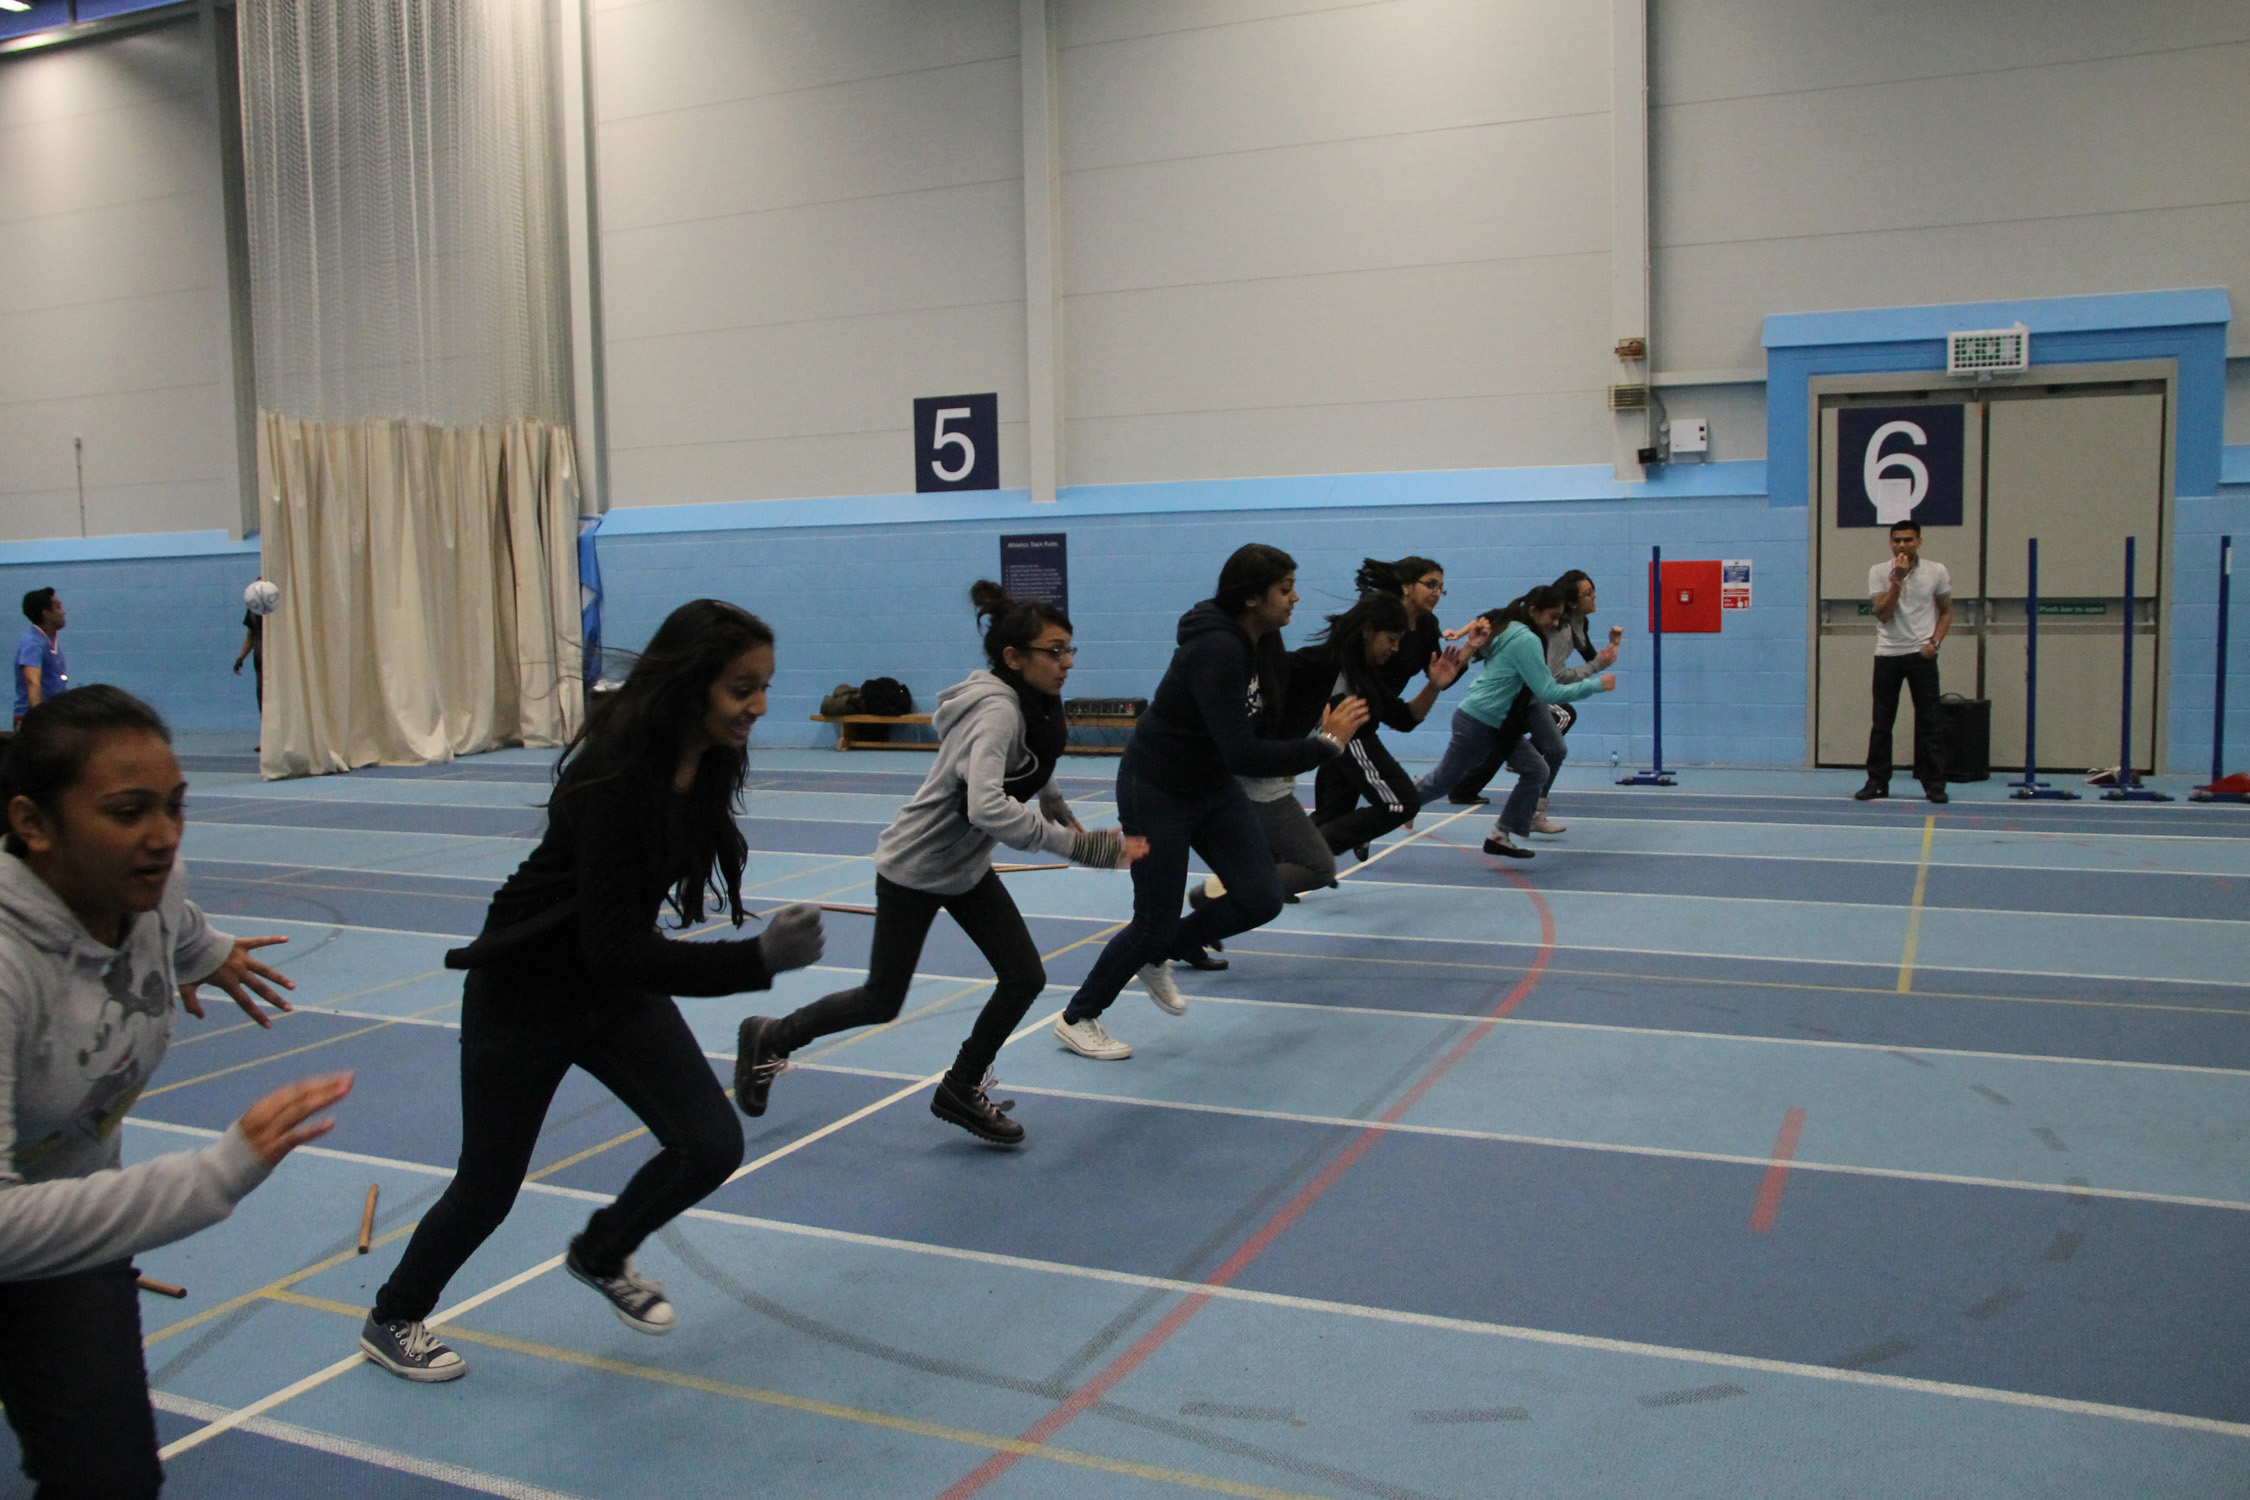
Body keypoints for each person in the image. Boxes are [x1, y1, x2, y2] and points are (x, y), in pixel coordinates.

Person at [361, 600, 827, 1382]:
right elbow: (617, 949)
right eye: (742, 688)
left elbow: (625, 940)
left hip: (609, 989)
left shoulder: (707, 763)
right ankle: (393, 1317)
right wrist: (757, 961)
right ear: (692, 684)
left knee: (710, 1145)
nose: (759, 706)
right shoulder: (614, 777)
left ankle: (602, 1251)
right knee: (488, 1187)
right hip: (526, 991)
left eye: (764, 687)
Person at [0, 685, 349, 1500]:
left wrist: (210, 954)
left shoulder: (146, 891)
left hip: (67, 1226)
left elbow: (174, 921)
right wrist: (216, 1174)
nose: (162, 836)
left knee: (109, 1477)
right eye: (128, 812)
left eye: (175, 806)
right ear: (34, 825)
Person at [734, 582, 1145, 1143]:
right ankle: (773, 1035)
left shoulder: (1033, 700)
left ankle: (960, 1087)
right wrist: (1083, 847)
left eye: (1070, 649)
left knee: (1024, 977)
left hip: (964, 867)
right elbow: (987, 805)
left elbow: (1031, 755)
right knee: (881, 1000)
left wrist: (1052, 801)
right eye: (1055, 651)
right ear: (1013, 658)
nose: (1067, 662)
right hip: (916, 866)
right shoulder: (995, 711)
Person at [1052, 546, 1367, 1060]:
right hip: (1156, 789)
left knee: (1261, 896)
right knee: (1153, 919)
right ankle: (1078, 1017)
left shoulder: (1261, 642)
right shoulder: (1216, 649)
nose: (1295, 598)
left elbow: (1260, 728)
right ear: (1251, 597)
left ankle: (1162, 952)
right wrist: (1324, 745)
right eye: (1285, 589)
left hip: (1212, 787)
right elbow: (1242, 751)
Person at [1414, 586, 1616, 858]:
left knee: (1536, 770)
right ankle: (1391, 808)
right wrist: (1595, 685)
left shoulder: (1509, 628)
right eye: (1552, 616)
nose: (1555, 623)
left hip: (1496, 722)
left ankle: (1500, 834)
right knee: (1444, 782)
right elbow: (1548, 692)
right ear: (1533, 611)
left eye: (1559, 618)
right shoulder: (1526, 639)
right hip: (1478, 719)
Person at [1452, 569, 1622, 831]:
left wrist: (1609, 650)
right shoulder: (1556, 630)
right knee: (1559, 721)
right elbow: (1552, 680)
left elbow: (1590, 655)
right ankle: (1426, 796)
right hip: (1525, 693)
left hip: (1531, 694)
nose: (1595, 596)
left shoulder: (1578, 624)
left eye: (1593, 590)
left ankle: (1507, 804)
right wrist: (1595, 675)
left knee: (1530, 746)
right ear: (1571, 603)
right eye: (1588, 593)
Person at [1312, 557, 1447, 839]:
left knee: (1333, 815)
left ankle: (1291, 857)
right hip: (1348, 728)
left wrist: (1434, 686)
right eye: (1392, 640)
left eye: (1440, 588)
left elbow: (1404, 719)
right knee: (1401, 802)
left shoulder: (1371, 680)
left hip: (1362, 721)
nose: (1396, 649)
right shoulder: (1327, 668)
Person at [1856, 519, 1952, 803]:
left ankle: (1934, 784)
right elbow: (1883, 614)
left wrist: (1934, 642)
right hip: (1888, 653)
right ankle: (1877, 781)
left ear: (1918, 542)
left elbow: (1947, 611)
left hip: (1921, 655)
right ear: (1890, 543)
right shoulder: (1878, 572)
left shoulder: (1936, 571)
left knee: (1930, 721)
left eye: (1908, 540)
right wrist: (1896, 580)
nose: (1902, 545)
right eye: (1897, 540)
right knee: (1882, 722)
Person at [14, 589, 67, 728]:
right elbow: (32, 682)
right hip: (34, 720)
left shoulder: (49, 639)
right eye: (58, 607)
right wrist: (37, 722)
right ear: (46, 613)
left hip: (53, 716)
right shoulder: (32, 643)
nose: (63, 612)